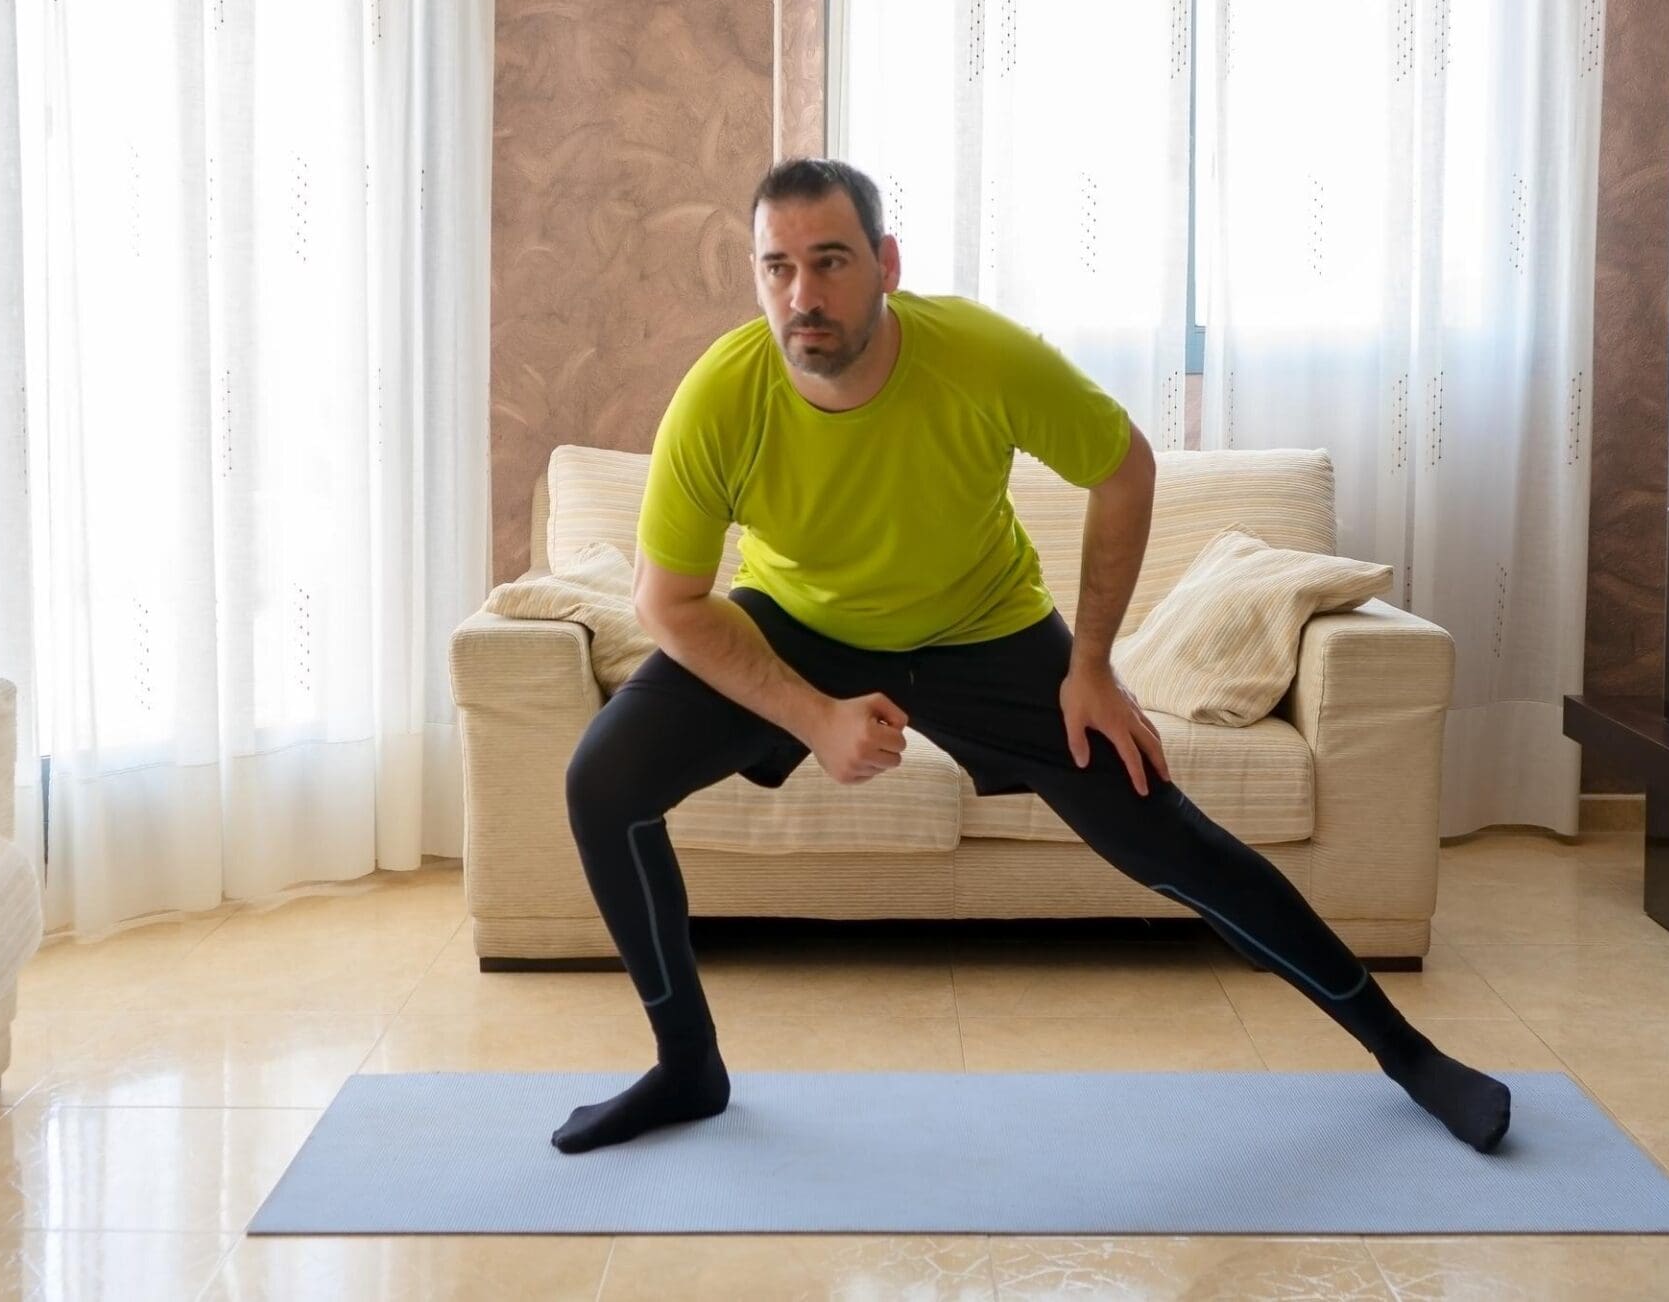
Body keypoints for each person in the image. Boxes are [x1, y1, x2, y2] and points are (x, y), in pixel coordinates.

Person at [550, 157, 1510, 1158]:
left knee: (1165, 836)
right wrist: (813, 716)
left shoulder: (977, 355)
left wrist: (1092, 662)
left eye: (830, 261)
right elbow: (667, 601)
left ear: (885, 263)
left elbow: (1124, 465)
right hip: (801, 625)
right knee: (602, 782)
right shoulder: (720, 397)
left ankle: (1408, 1054)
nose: (804, 295)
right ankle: (686, 1067)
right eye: (777, 267)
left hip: (986, 632)